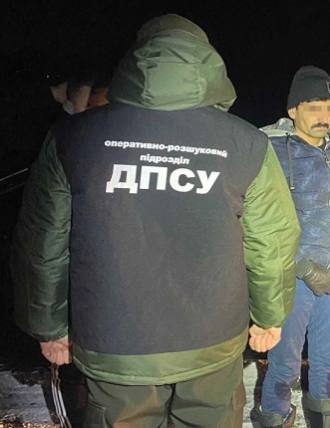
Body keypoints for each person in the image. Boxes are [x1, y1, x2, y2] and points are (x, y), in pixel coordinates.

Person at [11, 14, 300, 427]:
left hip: (115, 341)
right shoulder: (246, 143)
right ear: (208, 64)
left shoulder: (73, 137)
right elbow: (272, 241)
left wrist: (48, 324)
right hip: (213, 342)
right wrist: (270, 316)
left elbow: (43, 243)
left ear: (136, 61)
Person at [253, 66, 330, 428]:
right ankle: (275, 417)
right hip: (293, 279)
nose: (324, 116)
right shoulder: (270, 149)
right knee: (284, 364)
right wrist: (303, 267)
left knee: (327, 361)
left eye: (329, 107)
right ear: (292, 110)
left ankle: (324, 419)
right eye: (313, 108)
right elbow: (259, 221)